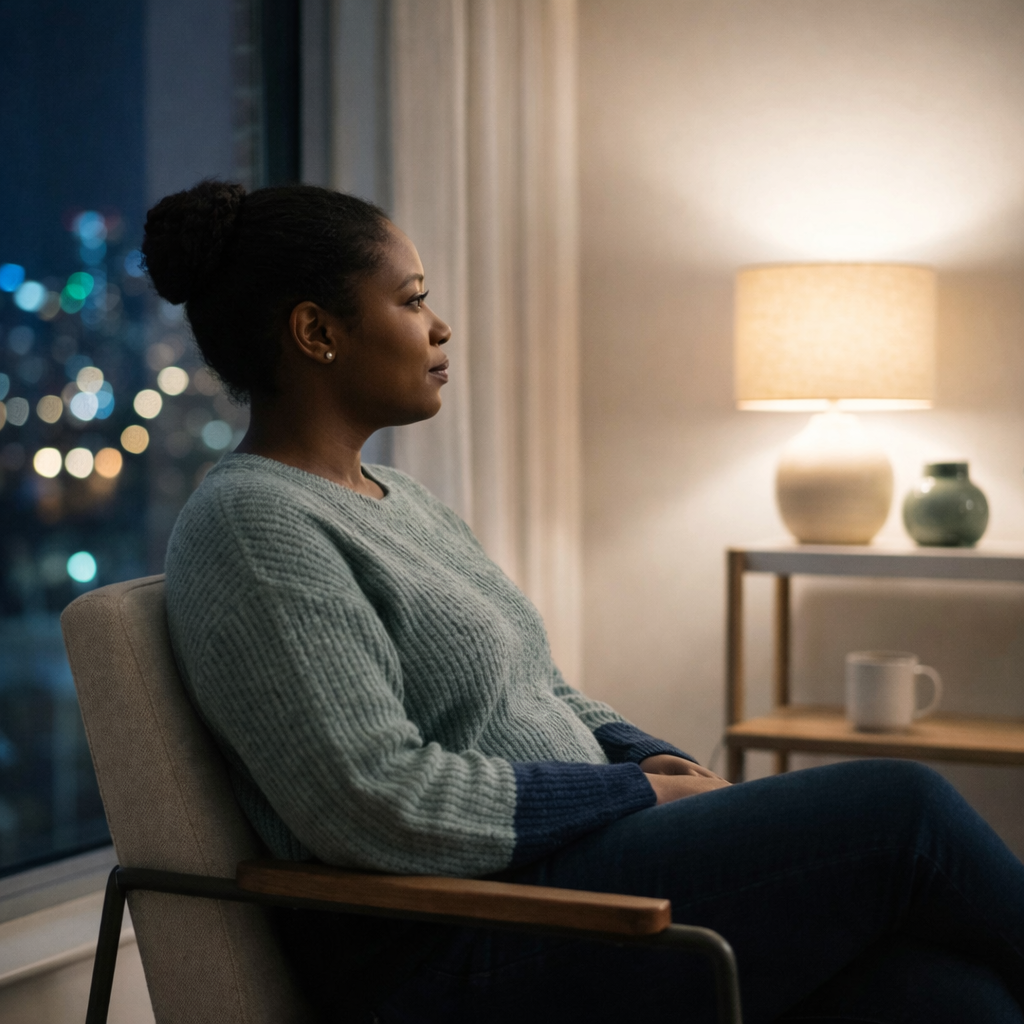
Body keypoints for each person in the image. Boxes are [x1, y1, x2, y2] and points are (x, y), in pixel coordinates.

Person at [147, 180, 1024, 1024]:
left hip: (565, 878)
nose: (440, 325)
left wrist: (673, 773)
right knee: (903, 811)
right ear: (316, 331)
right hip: (454, 947)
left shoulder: (397, 501)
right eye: (412, 301)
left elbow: (545, 692)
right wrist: (633, 796)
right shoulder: (252, 525)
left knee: (944, 997)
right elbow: (375, 803)